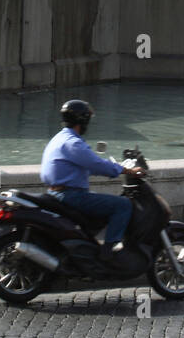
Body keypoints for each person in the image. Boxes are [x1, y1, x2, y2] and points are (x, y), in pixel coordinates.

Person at [40, 100, 144, 258]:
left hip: (56, 193)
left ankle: (88, 246)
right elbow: (96, 164)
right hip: (71, 196)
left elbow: (85, 166)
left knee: (99, 203)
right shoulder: (73, 143)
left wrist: (108, 168)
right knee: (123, 205)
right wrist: (128, 171)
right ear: (83, 120)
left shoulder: (59, 138)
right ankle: (108, 253)